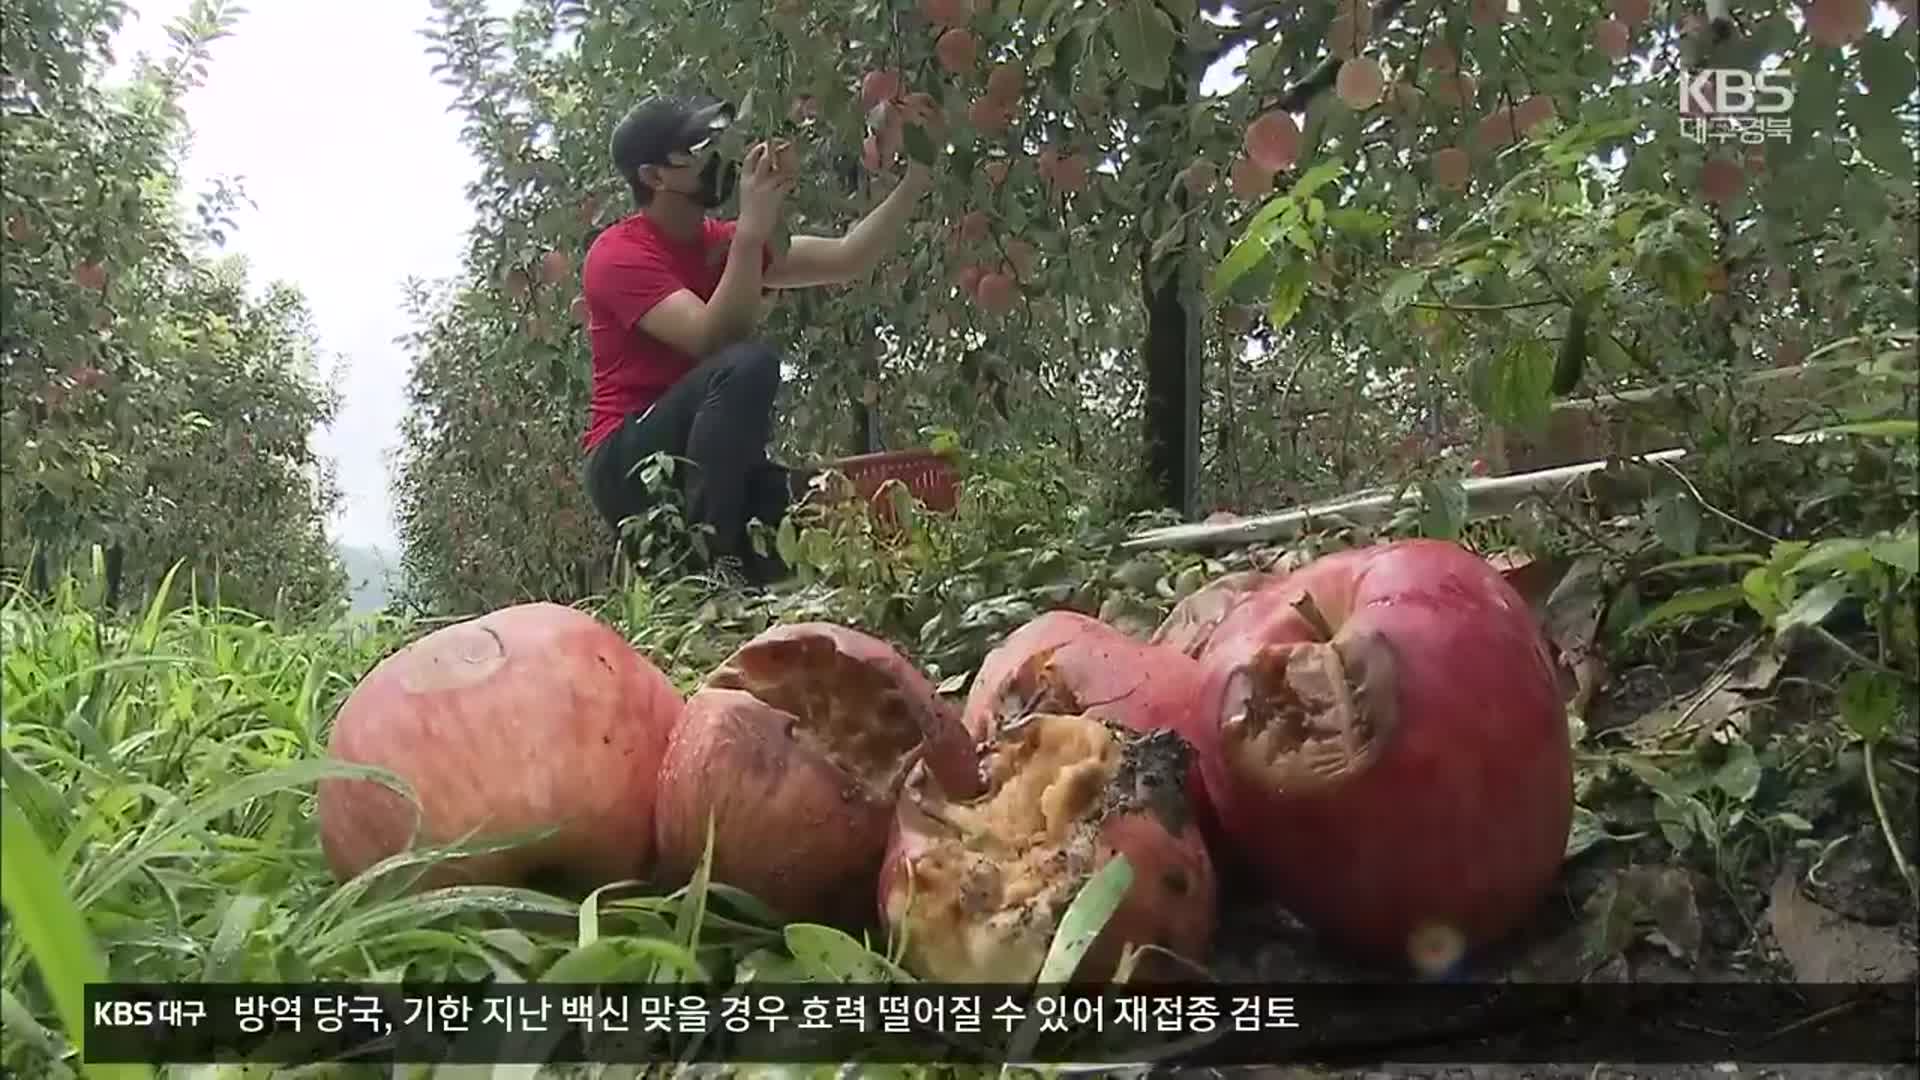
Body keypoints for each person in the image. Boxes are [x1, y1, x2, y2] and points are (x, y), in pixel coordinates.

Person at [580, 93, 935, 585]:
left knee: (812, 506)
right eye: (699, 146)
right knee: (750, 364)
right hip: (630, 463)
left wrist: (917, 178)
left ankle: (730, 588)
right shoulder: (617, 254)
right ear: (654, 176)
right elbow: (712, 338)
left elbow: (849, 256)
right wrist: (750, 234)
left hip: (705, 465)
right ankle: (711, 572)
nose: (718, 156)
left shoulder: (721, 241)